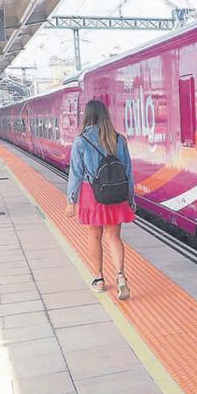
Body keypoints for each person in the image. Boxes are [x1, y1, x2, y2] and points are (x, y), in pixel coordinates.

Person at [65, 99, 136, 300]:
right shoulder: (118, 139)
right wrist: (131, 197)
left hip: (92, 194)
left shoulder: (81, 141)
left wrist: (71, 200)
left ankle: (99, 278)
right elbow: (128, 172)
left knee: (94, 235)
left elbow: (76, 173)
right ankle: (121, 276)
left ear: (87, 116)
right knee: (114, 236)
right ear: (106, 115)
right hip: (116, 194)